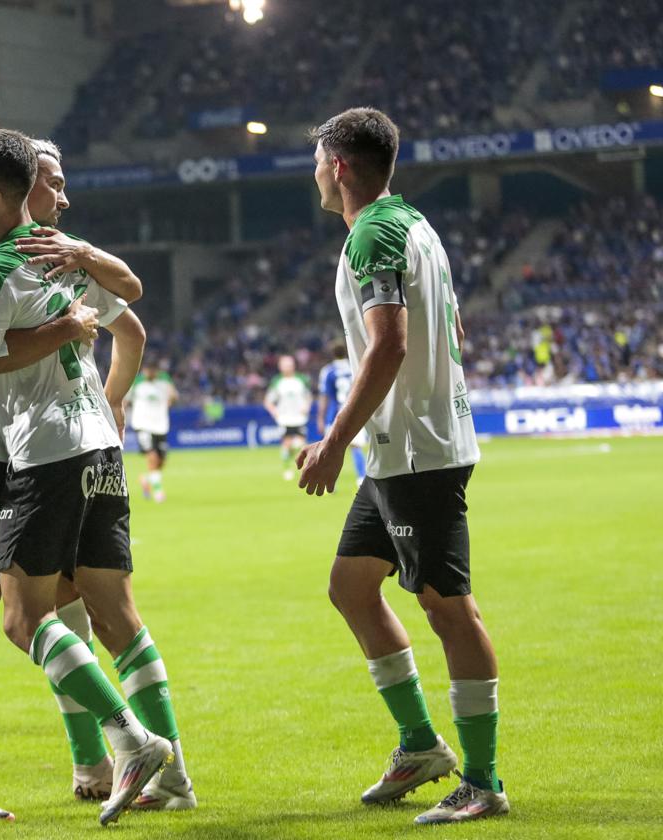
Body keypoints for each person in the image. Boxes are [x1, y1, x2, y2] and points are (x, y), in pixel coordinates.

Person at [0, 128, 194, 827]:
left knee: (62, 605)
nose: (61, 195)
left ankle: (101, 759)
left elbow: (124, 315)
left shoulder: (43, 252)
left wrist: (91, 359)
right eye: (52, 182)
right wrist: (65, 332)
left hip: (34, 449)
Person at [299, 107, 507, 825]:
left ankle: (482, 781)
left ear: (340, 167)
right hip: (398, 451)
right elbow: (448, 322)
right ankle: (421, 744)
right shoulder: (411, 223)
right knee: (352, 588)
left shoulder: (374, 233)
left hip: (416, 453)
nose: (315, 174)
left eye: (318, 161)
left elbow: (387, 346)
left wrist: (330, 442)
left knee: (449, 607)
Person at [318, 341, 367, 487]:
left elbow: (324, 396)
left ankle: (330, 483)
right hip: (354, 413)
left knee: (331, 450)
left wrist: (320, 417)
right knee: (356, 447)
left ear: (332, 354)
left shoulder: (328, 371)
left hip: (334, 414)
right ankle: (361, 478)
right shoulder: (355, 366)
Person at [126, 361, 176, 502]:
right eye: (148, 370)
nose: (150, 373)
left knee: (162, 461)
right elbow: (126, 400)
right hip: (143, 425)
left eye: (153, 370)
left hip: (160, 425)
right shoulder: (137, 382)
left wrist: (171, 398)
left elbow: (173, 396)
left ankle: (146, 479)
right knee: (152, 456)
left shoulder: (164, 380)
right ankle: (158, 491)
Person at [263, 355, 313, 480]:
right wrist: (274, 411)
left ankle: (305, 470)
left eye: (289, 364)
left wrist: (306, 406)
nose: (287, 367)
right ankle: (287, 468)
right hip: (285, 419)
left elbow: (309, 396)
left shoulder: (301, 379)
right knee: (287, 444)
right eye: (285, 365)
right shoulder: (277, 381)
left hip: (299, 418)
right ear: (280, 367)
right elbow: (268, 401)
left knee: (302, 445)